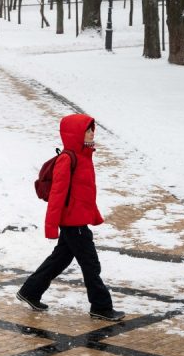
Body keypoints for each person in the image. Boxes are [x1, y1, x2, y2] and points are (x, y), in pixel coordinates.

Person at [16, 113, 125, 321]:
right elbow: (57, 196)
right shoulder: (67, 159)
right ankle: (101, 307)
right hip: (73, 224)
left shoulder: (84, 156)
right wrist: (51, 227)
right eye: (88, 130)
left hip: (78, 221)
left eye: (93, 129)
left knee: (59, 260)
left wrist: (92, 214)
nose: (92, 133)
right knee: (91, 265)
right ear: (76, 133)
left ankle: (30, 291)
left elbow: (83, 194)